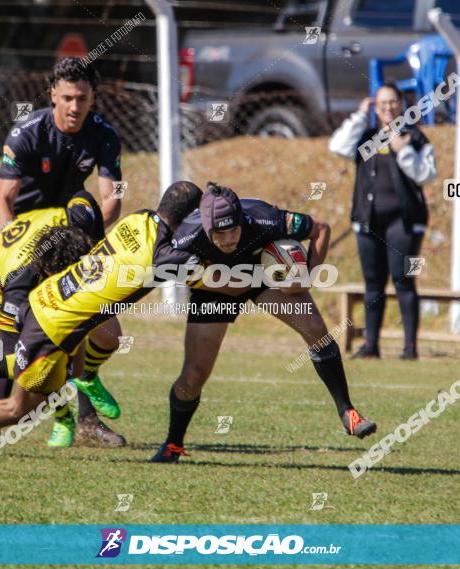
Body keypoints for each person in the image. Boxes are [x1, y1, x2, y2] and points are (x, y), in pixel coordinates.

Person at [0, 181, 205, 453]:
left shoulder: (138, 219)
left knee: (69, 367)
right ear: (189, 219)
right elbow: (202, 267)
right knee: (18, 409)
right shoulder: (160, 256)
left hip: (51, 305)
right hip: (52, 327)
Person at [150, 184, 378, 464]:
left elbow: (321, 229)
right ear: (207, 229)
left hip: (260, 275)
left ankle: (348, 413)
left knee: (315, 328)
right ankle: (173, 445)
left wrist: (307, 277)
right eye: (220, 233)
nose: (229, 238)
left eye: (233, 229)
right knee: (194, 374)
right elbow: (162, 266)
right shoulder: (186, 238)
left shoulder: (264, 217)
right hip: (214, 286)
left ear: (241, 220)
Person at [0, 56, 124, 449]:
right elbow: (2, 200)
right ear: (53, 94)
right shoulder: (27, 132)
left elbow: (111, 200)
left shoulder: (104, 135)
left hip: (70, 238)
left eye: (84, 98)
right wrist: (14, 247)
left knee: (95, 327)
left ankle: (86, 421)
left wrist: (82, 239)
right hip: (19, 238)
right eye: (68, 98)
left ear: (93, 97)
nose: (76, 107)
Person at [0, 191, 126, 448]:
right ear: (52, 271)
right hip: (1, 269)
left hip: (33, 253)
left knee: (107, 337)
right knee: (32, 361)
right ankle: (53, 416)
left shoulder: (78, 222)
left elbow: (82, 197)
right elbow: (9, 350)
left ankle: (85, 377)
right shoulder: (18, 285)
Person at [328, 84, 437, 360]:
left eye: (393, 102)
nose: (388, 107)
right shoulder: (367, 137)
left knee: (403, 280)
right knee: (373, 284)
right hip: (368, 220)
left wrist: (403, 151)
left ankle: (410, 348)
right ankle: (370, 346)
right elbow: (337, 146)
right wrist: (359, 117)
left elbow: (426, 175)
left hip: (403, 221)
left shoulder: (415, 137)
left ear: (402, 105)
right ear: (376, 107)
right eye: (382, 103)